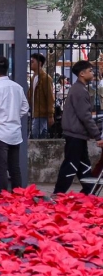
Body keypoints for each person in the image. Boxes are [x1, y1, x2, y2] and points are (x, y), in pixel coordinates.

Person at [55, 60, 102, 193]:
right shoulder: (80, 91)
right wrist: (97, 136)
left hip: (77, 134)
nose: (93, 73)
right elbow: (85, 116)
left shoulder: (79, 89)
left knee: (83, 165)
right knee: (71, 165)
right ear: (82, 74)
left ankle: (89, 191)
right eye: (90, 71)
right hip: (75, 134)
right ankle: (58, 193)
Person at [0, 55, 29, 191]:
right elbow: (25, 108)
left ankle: (3, 196)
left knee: (1, 168)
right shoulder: (17, 87)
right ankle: (18, 195)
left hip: (0, 133)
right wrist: (14, 116)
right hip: (15, 132)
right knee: (15, 168)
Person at [28, 53, 54, 139]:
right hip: (35, 112)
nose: (30, 64)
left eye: (32, 62)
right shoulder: (33, 78)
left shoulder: (45, 78)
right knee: (39, 136)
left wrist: (50, 115)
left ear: (39, 63)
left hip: (41, 113)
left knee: (35, 136)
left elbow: (50, 97)